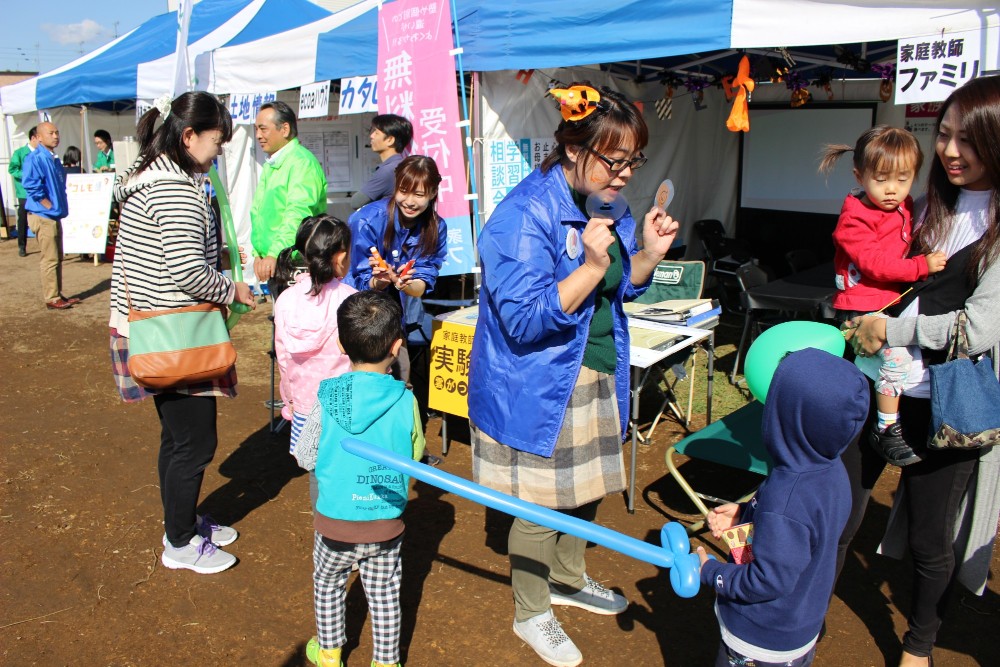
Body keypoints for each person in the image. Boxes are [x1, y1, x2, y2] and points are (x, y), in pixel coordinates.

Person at [466, 83, 679, 667]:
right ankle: (531, 612)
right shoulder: (521, 215)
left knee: (585, 491)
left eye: (632, 161)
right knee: (539, 506)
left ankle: (567, 576)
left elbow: (620, 283)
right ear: (572, 146)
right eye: (614, 160)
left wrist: (649, 257)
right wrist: (589, 266)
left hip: (597, 369)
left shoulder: (609, 203)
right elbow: (527, 319)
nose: (625, 175)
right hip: (538, 381)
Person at [841, 75, 1000, 667]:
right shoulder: (928, 205)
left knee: (934, 539)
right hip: (883, 381)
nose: (951, 151)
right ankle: (796, 613)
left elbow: (979, 330)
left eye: (970, 139)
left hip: (947, 403)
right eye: (945, 134)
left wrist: (894, 328)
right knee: (841, 504)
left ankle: (919, 644)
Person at [108, 91, 256, 575]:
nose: (219, 152)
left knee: (177, 439)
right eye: (217, 141)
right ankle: (180, 542)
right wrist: (232, 289)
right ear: (188, 136)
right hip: (176, 332)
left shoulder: (149, 178)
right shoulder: (174, 188)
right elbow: (189, 272)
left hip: (155, 329)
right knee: (194, 443)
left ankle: (183, 523)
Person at [695, 348, 869, 667]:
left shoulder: (786, 495)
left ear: (785, 416)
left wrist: (710, 573)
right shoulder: (829, 471)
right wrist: (745, 513)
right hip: (798, 626)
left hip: (758, 640)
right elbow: (805, 533)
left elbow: (767, 580)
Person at [293, 290, 424, 667]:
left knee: (328, 585)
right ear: (397, 347)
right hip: (385, 523)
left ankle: (330, 653)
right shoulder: (405, 399)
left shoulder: (328, 397)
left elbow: (305, 456)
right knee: (384, 594)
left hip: (334, 519)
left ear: (339, 343)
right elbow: (414, 454)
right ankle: (385, 662)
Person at [820, 126, 946, 467]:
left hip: (886, 304)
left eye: (903, 179)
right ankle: (886, 427)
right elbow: (875, 265)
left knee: (878, 367)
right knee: (894, 360)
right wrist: (922, 266)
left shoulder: (902, 205)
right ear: (860, 176)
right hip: (860, 306)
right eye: (881, 179)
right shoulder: (854, 219)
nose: (892, 190)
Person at [347, 155, 448, 385]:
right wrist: (378, 281)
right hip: (357, 310)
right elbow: (357, 278)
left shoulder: (436, 227)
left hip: (395, 315)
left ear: (432, 193)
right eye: (404, 191)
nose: (410, 201)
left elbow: (422, 281)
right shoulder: (366, 220)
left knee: (398, 380)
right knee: (360, 382)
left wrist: (405, 283)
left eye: (419, 195)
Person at [273, 214, 356, 463]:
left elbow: (283, 358)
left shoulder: (286, 299)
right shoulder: (349, 299)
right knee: (346, 468)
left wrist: (290, 400)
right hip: (346, 407)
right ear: (340, 257)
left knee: (315, 468)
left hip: (304, 405)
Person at [251, 100, 328, 284]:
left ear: (284, 129)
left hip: (296, 264)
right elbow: (259, 214)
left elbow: (298, 214)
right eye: (256, 129)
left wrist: (274, 252)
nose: (258, 135)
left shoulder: (301, 163)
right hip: (277, 260)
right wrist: (259, 254)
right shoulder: (274, 163)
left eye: (263, 129)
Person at [23, 121, 75, 310]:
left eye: (57, 132)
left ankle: (57, 293)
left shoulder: (52, 158)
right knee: (50, 258)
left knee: (57, 256)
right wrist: (47, 204)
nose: (55, 136)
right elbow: (30, 184)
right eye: (51, 133)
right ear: (39, 136)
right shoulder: (35, 158)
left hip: (53, 215)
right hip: (43, 215)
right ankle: (52, 297)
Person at [350, 114, 413, 209]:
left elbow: (356, 202)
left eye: (376, 132)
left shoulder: (388, 171)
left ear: (390, 140)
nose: (371, 136)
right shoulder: (401, 165)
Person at [7, 125, 38, 257]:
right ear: (33, 138)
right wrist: (26, 175)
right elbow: (12, 169)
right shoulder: (20, 153)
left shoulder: (41, 153)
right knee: (22, 219)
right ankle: (22, 246)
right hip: (24, 192)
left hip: (39, 191)